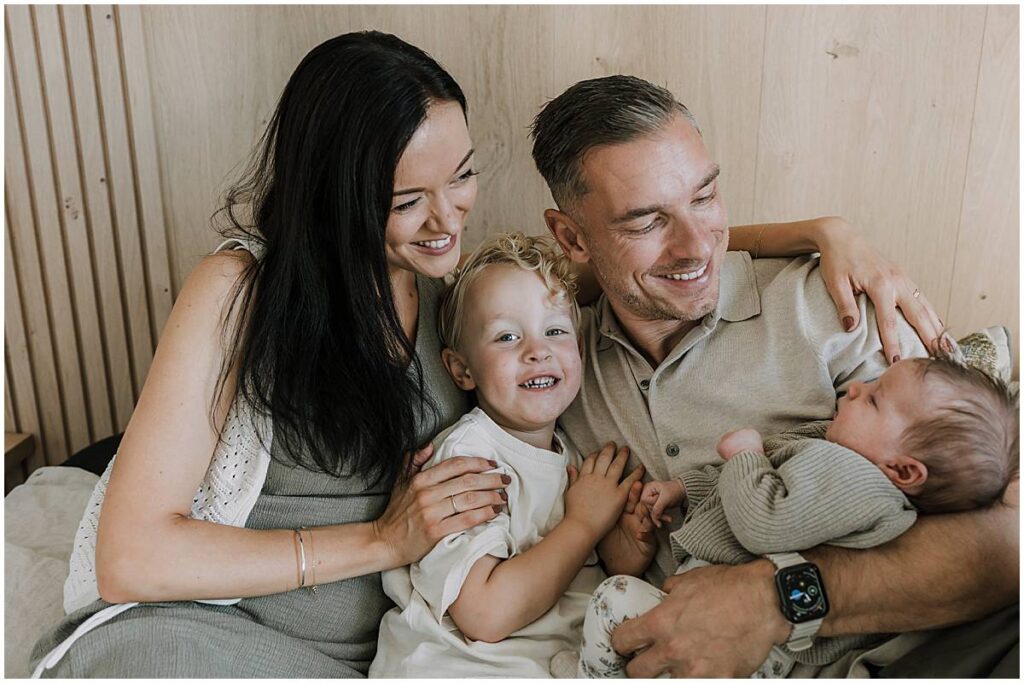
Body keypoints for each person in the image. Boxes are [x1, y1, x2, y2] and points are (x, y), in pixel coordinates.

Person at [29, 32, 944, 678]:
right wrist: (384, 539)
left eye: (464, 175)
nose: (450, 217)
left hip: (417, 648)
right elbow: (132, 557)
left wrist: (822, 230)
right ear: (337, 196)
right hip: (225, 634)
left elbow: (647, 252)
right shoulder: (238, 290)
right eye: (409, 198)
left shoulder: (471, 308)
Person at [529, 74, 1019, 677]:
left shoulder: (831, 308)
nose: (696, 247)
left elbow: (1005, 544)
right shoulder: (550, 362)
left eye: (705, 197)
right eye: (646, 222)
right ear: (571, 236)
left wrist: (777, 599)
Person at [558, 353, 1019, 678]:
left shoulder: (855, 480)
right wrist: (685, 489)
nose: (856, 387)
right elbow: (759, 482)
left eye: (875, 399)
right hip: (728, 622)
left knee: (614, 598)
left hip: (766, 655)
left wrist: (745, 455)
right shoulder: (837, 447)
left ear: (901, 469)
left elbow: (764, 520)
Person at [372, 232, 654, 676]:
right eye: (506, 337)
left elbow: (576, 574)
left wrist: (623, 547)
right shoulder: (468, 461)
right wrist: (584, 524)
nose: (537, 350)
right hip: (466, 665)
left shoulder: (576, 454)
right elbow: (485, 613)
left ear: (578, 349)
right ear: (462, 370)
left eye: (556, 331)